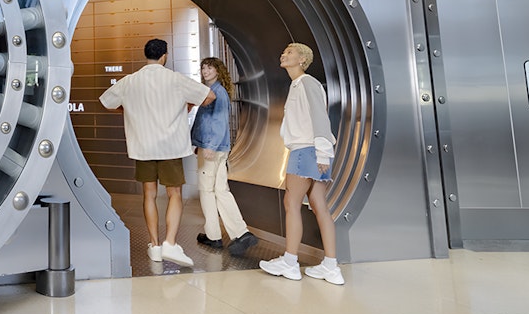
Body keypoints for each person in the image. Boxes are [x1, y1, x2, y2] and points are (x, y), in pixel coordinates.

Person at [100, 38, 209, 267]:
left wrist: (128, 110)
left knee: (148, 194)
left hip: (143, 146)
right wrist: (187, 106)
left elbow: (107, 101)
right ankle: (170, 242)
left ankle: (155, 245)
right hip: (170, 147)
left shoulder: (131, 81)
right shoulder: (175, 79)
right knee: (174, 195)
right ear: (164, 56)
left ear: (146, 55)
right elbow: (209, 96)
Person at [259, 43, 345, 285]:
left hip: (307, 149)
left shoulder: (306, 83)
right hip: (314, 150)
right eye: (284, 51)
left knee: (291, 203)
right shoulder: (298, 85)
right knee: (319, 205)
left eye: (290, 52)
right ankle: (330, 266)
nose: (283, 54)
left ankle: (290, 261)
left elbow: (319, 116)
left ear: (302, 60)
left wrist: (322, 153)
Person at [191, 57, 258, 256]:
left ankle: (216, 236)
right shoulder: (218, 92)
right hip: (219, 148)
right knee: (221, 190)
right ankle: (240, 233)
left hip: (212, 149)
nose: (205, 70)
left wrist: (208, 146)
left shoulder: (216, 93)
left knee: (207, 191)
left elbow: (218, 123)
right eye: (203, 67)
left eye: (210, 67)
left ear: (218, 71)